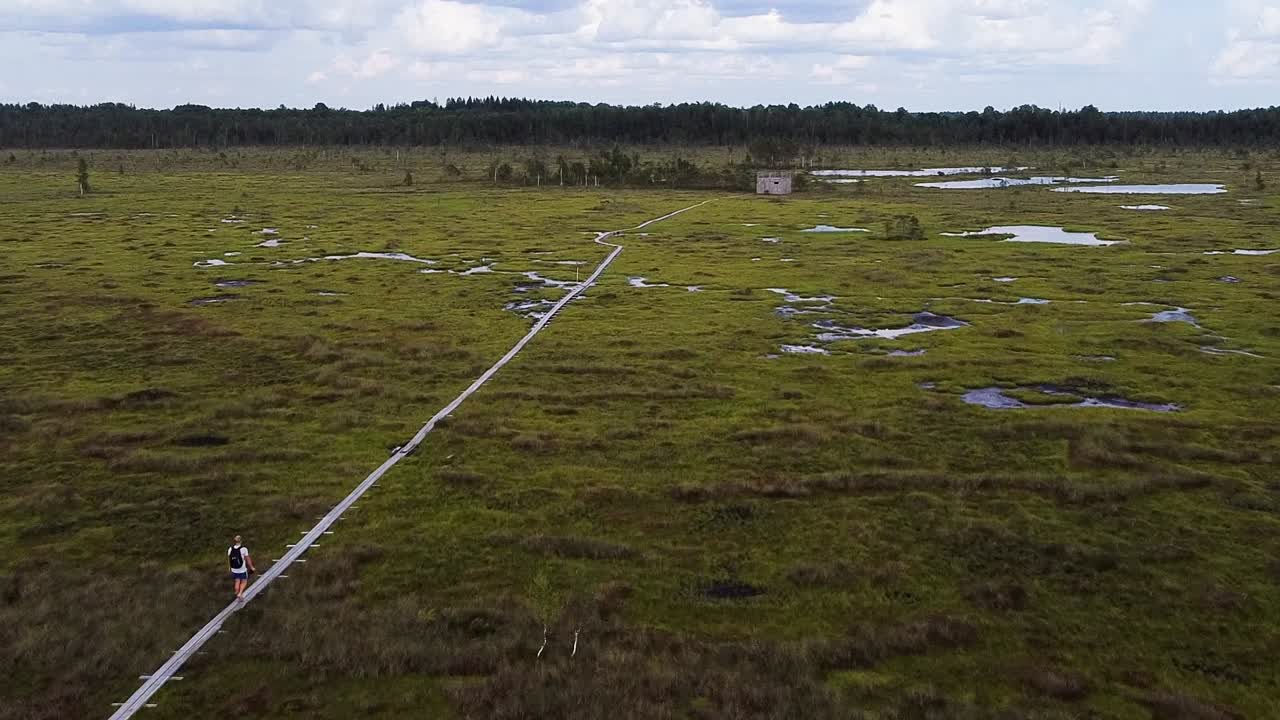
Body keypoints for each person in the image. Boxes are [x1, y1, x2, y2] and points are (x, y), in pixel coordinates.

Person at [227, 535, 256, 601]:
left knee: (237, 580)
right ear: (241, 541)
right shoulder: (244, 549)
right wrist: (251, 567)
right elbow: (247, 559)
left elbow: (229, 559)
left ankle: (236, 591)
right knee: (244, 581)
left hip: (234, 569)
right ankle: (240, 593)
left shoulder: (230, 549)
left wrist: (229, 567)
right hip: (242, 569)